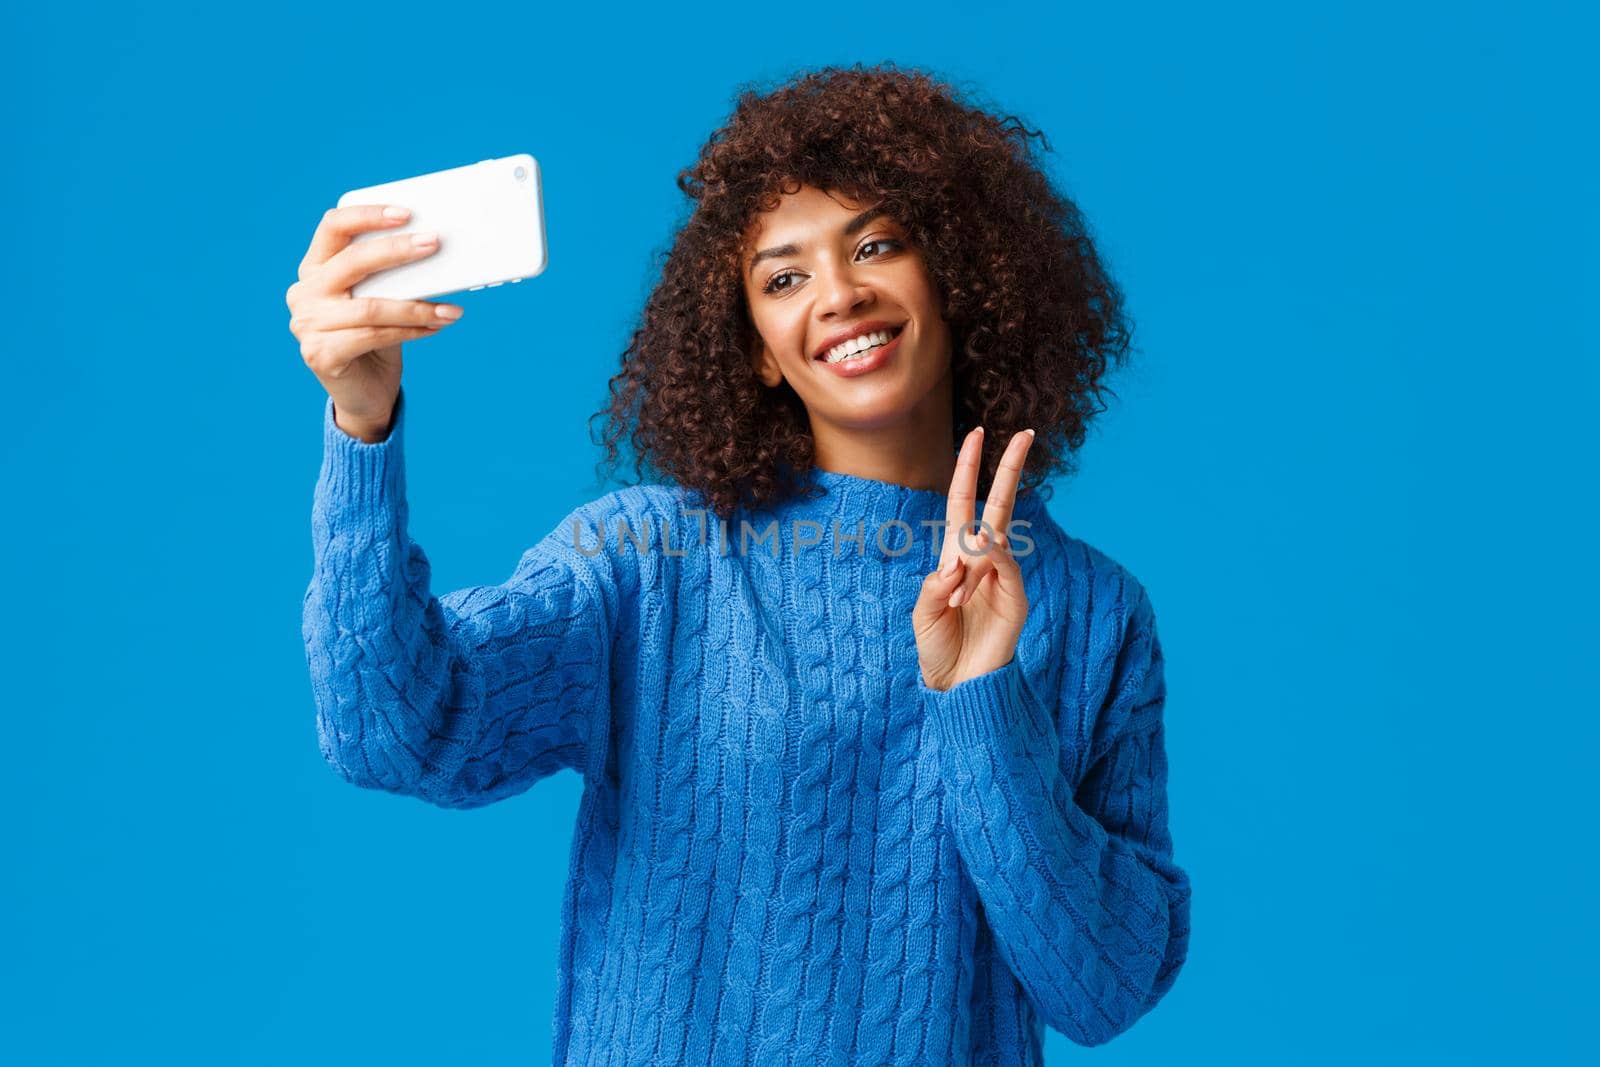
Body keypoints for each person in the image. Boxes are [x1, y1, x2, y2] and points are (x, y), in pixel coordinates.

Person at [288, 62, 1190, 1064]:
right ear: (755, 345)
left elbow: (1102, 988)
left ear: (958, 274)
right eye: (784, 275)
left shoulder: (1092, 612)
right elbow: (394, 732)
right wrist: (362, 427)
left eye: (877, 244)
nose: (840, 294)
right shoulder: (649, 563)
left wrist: (981, 697)